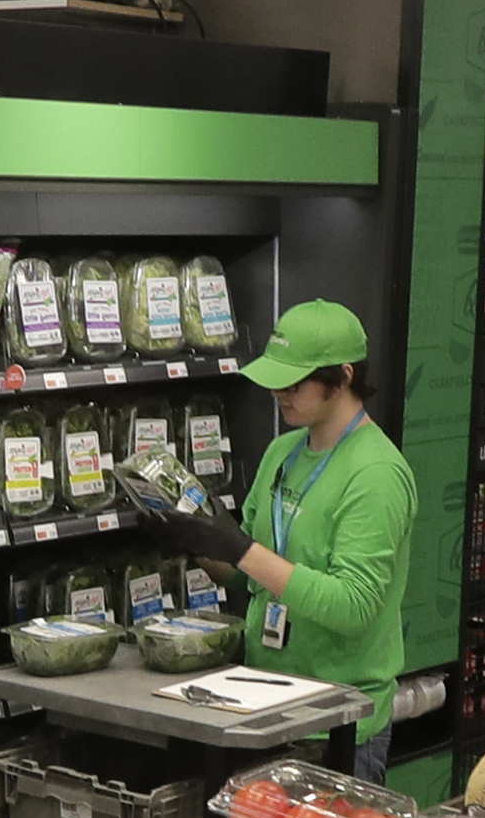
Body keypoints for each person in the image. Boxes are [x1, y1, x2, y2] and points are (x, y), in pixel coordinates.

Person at [125, 297, 413, 778]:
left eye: (294, 381)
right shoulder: (283, 452)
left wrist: (239, 547)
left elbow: (353, 607)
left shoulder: (377, 473)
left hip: (339, 727)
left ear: (343, 378)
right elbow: (254, 580)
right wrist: (197, 547)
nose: (279, 392)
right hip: (266, 709)